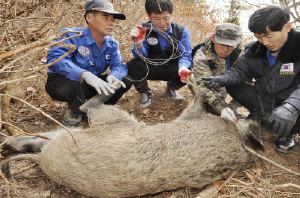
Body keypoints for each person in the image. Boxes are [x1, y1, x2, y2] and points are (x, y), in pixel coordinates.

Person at [202, 6, 300, 153]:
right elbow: (240, 71)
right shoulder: (255, 49)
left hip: (291, 103)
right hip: (264, 98)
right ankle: (259, 116)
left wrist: (291, 107)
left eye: (269, 35)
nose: (265, 42)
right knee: (232, 83)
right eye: (259, 37)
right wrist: (221, 79)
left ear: (287, 27)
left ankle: (288, 133)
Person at [45, 0, 132, 127]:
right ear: (89, 18)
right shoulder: (71, 35)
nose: (111, 23)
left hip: (90, 85)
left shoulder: (112, 44)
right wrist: (84, 74)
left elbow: (119, 66)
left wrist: (114, 76)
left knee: (125, 80)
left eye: (113, 19)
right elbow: (56, 60)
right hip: (62, 84)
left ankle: (98, 107)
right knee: (74, 80)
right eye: (105, 17)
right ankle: (75, 110)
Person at [127, 0, 193, 108]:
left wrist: (183, 68)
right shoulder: (143, 29)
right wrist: (138, 44)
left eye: (166, 18)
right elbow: (140, 57)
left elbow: (185, 55)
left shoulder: (182, 31)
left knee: (190, 65)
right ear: (149, 16)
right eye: (157, 19)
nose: (162, 23)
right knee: (133, 65)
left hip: (172, 69)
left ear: (171, 15)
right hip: (151, 67)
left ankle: (172, 88)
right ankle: (145, 92)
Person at [193, 23, 243, 122]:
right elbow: (204, 87)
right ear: (213, 39)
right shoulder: (201, 56)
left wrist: (233, 104)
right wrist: (222, 108)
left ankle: (233, 106)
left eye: (230, 46)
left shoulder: (239, 55)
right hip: (209, 91)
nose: (225, 50)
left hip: (228, 87)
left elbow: (247, 79)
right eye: (221, 44)